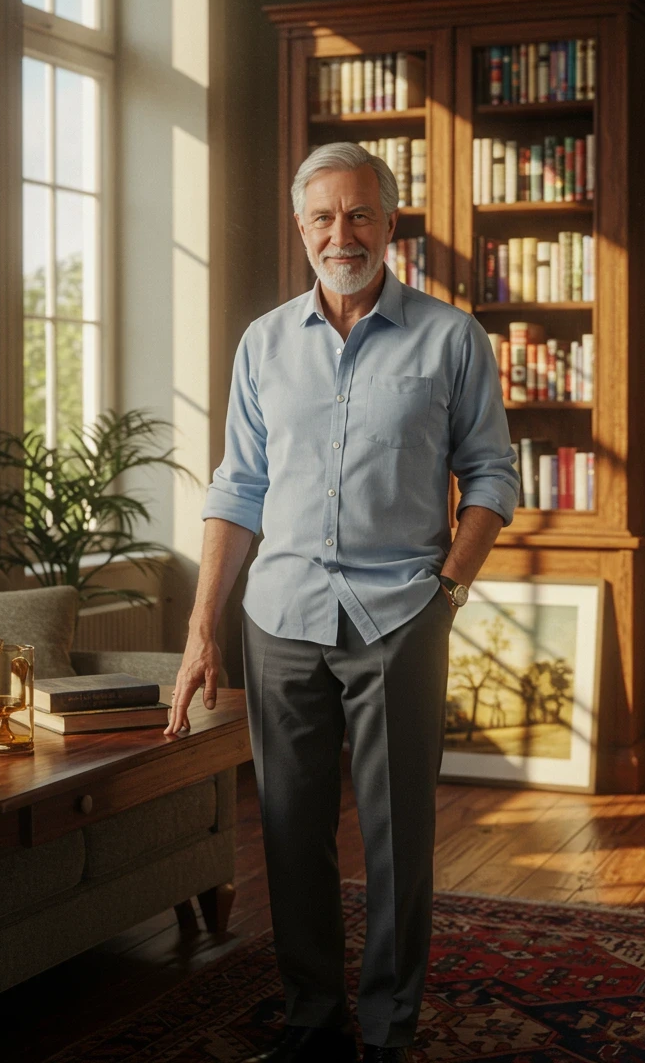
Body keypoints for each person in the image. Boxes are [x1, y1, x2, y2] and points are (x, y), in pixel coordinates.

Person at [166, 141, 520, 1063]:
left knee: (398, 836)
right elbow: (237, 489)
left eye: (359, 214)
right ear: (301, 229)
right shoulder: (262, 343)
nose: (341, 233)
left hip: (400, 613)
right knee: (288, 833)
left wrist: (448, 588)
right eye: (323, 217)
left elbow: (490, 476)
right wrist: (203, 628)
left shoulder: (450, 338)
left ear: (390, 223)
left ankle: (389, 1029)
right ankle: (312, 1021)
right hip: (278, 617)